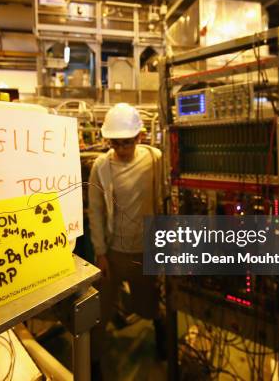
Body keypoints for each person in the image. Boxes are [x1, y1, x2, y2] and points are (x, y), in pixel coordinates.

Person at [88, 103, 166, 377]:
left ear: (140, 138)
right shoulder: (102, 165)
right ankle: (94, 362)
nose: (120, 149)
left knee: (151, 303)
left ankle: (162, 340)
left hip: (145, 250)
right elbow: (95, 211)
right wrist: (100, 252)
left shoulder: (155, 159)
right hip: (113, 253)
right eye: (115, 143)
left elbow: (167, 199)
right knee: (100, 312)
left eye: (126, 143)